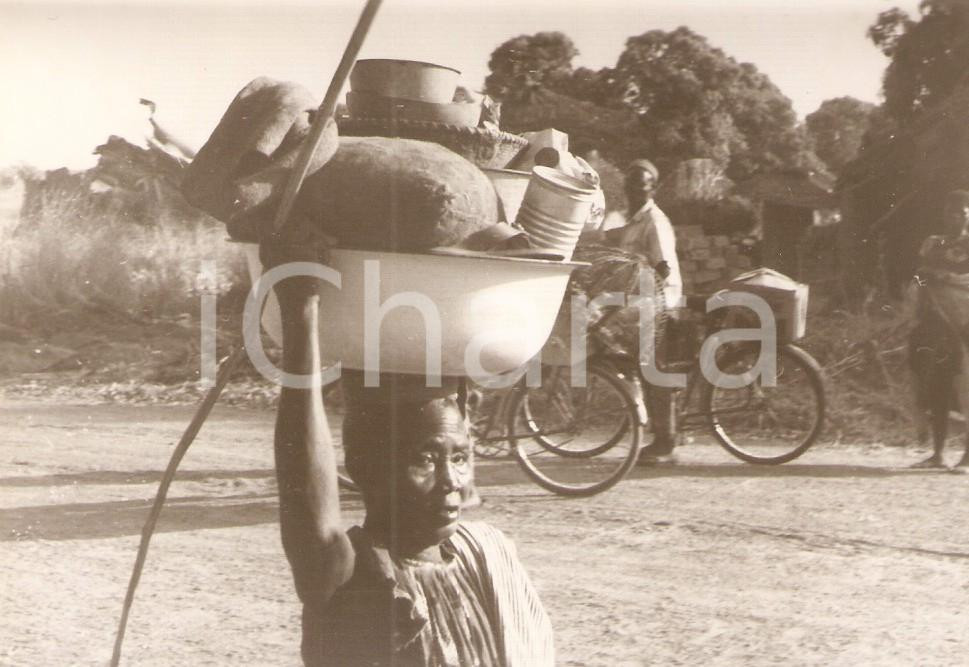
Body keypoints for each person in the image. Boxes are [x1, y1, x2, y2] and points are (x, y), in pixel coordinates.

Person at [265, 242, 555, 666]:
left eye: (459, 458)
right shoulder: (352, 577)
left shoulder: (486, 557)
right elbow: (307, 503)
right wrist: (301, 307)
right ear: (364, 464)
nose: (451, 482)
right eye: (425, 458)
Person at [598, 159, 683, 464]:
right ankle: (650, 419)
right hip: (642, 301)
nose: (636, 191)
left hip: (660, 301)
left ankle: (666, 442)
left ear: (653, 188)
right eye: (632, 185)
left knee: (653, 369)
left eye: (643, 186)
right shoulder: (633, 220)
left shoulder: (654, 221)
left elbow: (663, 267)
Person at [907, 189, 969, 469]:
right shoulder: (932, 244)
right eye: (949, 211)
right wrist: (924, 282)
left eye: (961, 211)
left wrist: (945, 278)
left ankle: (967, 454)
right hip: (936, 324)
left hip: (964, 323)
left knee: (965, 386)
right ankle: (938, 453)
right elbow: (919, 277)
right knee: (938, 386)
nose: (954, 216)